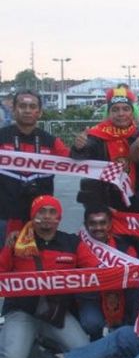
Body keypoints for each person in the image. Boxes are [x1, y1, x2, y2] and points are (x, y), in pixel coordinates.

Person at [0, 196, 99, 358]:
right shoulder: (17, 242)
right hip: (21, 311)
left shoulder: (73, 243)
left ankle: (40, 336)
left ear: (58, 218)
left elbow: (96, 273)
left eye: (52, 212)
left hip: (56, 313)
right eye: (41, 211)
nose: (47, 216)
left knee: (83, 350)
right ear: (33, 216)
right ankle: (13, 332)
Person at [0, 90, 70, 245]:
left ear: (39, 112)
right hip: (4, 216)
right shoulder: (2, 136)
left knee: (36, 264)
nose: (27, 110)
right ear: (14, 109)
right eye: (22, 106)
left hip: (40, 218)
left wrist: (81, 149)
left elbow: (75, 163)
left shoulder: (51, 141)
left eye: (32, 106)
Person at [78, 204, 139, 340]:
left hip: (121, 297)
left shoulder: (125, 247)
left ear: (110, 224)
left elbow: (136, 276)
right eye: (93, 223)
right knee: (92, 323)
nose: (98, 227)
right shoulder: (76, 244)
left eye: (102, 223)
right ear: (85, 224)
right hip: (92, 298)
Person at [71, 87, 139, 210]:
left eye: (126, 109)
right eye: (115, 110)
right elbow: (80, 159)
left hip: (136, 201)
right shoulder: (95, 134)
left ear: (132, 112)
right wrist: (78, 147)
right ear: (109, 113)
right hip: (103, 201)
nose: (121, 114)